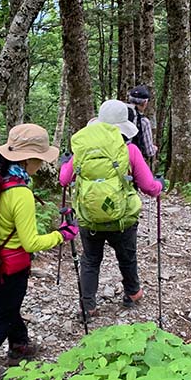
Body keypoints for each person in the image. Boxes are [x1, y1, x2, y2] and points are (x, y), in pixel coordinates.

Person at [0, 123, 79, 380]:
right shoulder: (20, 192)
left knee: (8, 307)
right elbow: (30, 242)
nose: (41, 162)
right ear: (29, 159)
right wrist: (63, 234)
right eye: (40, 157)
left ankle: (19, 345)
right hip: (10, 266)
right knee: (2, 316)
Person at [59, 100, 163, 319]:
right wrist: (160, 185)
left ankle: (88, 306)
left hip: (89, 217)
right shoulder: (130, 150)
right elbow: (149, 187)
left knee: (90, 260)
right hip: (122, 219)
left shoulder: (83, 152)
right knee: (127, 257)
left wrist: (66, 163)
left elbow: (64, 179)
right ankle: (132, 293)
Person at [126, 84, 157, 162]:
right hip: (133, 161)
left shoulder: (118, 114)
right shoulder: (144, 122)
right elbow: (149, 151)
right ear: (145, 103)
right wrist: (154, 148)